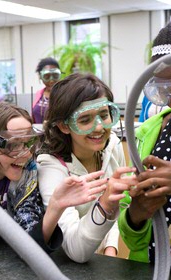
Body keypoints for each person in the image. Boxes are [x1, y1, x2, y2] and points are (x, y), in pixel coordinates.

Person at [118, 14, 171, 274]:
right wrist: (136, 214)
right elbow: (130, 235)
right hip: (154, 269)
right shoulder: (148, 134)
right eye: (163, 91)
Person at [37, 72, 137, 263]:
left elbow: (121, 204)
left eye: (104, 115)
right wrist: (104, 205)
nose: (99, 128)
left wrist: (111, 248)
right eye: (84, 120)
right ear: (64, 126)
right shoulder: (51, 167)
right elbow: (76, 251)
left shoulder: (112, 145)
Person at [0, 102, 108, 253]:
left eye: (28, 143)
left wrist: (55, 207)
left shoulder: (27, 174)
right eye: (13, 145)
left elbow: (30, 246)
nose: (26, 153)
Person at [32, 57, 61, 124]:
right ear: (40, 77)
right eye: (47, 76)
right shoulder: (39, 94)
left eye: (55, 75)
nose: (51, 80)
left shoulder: (64, 94)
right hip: (39, 133)